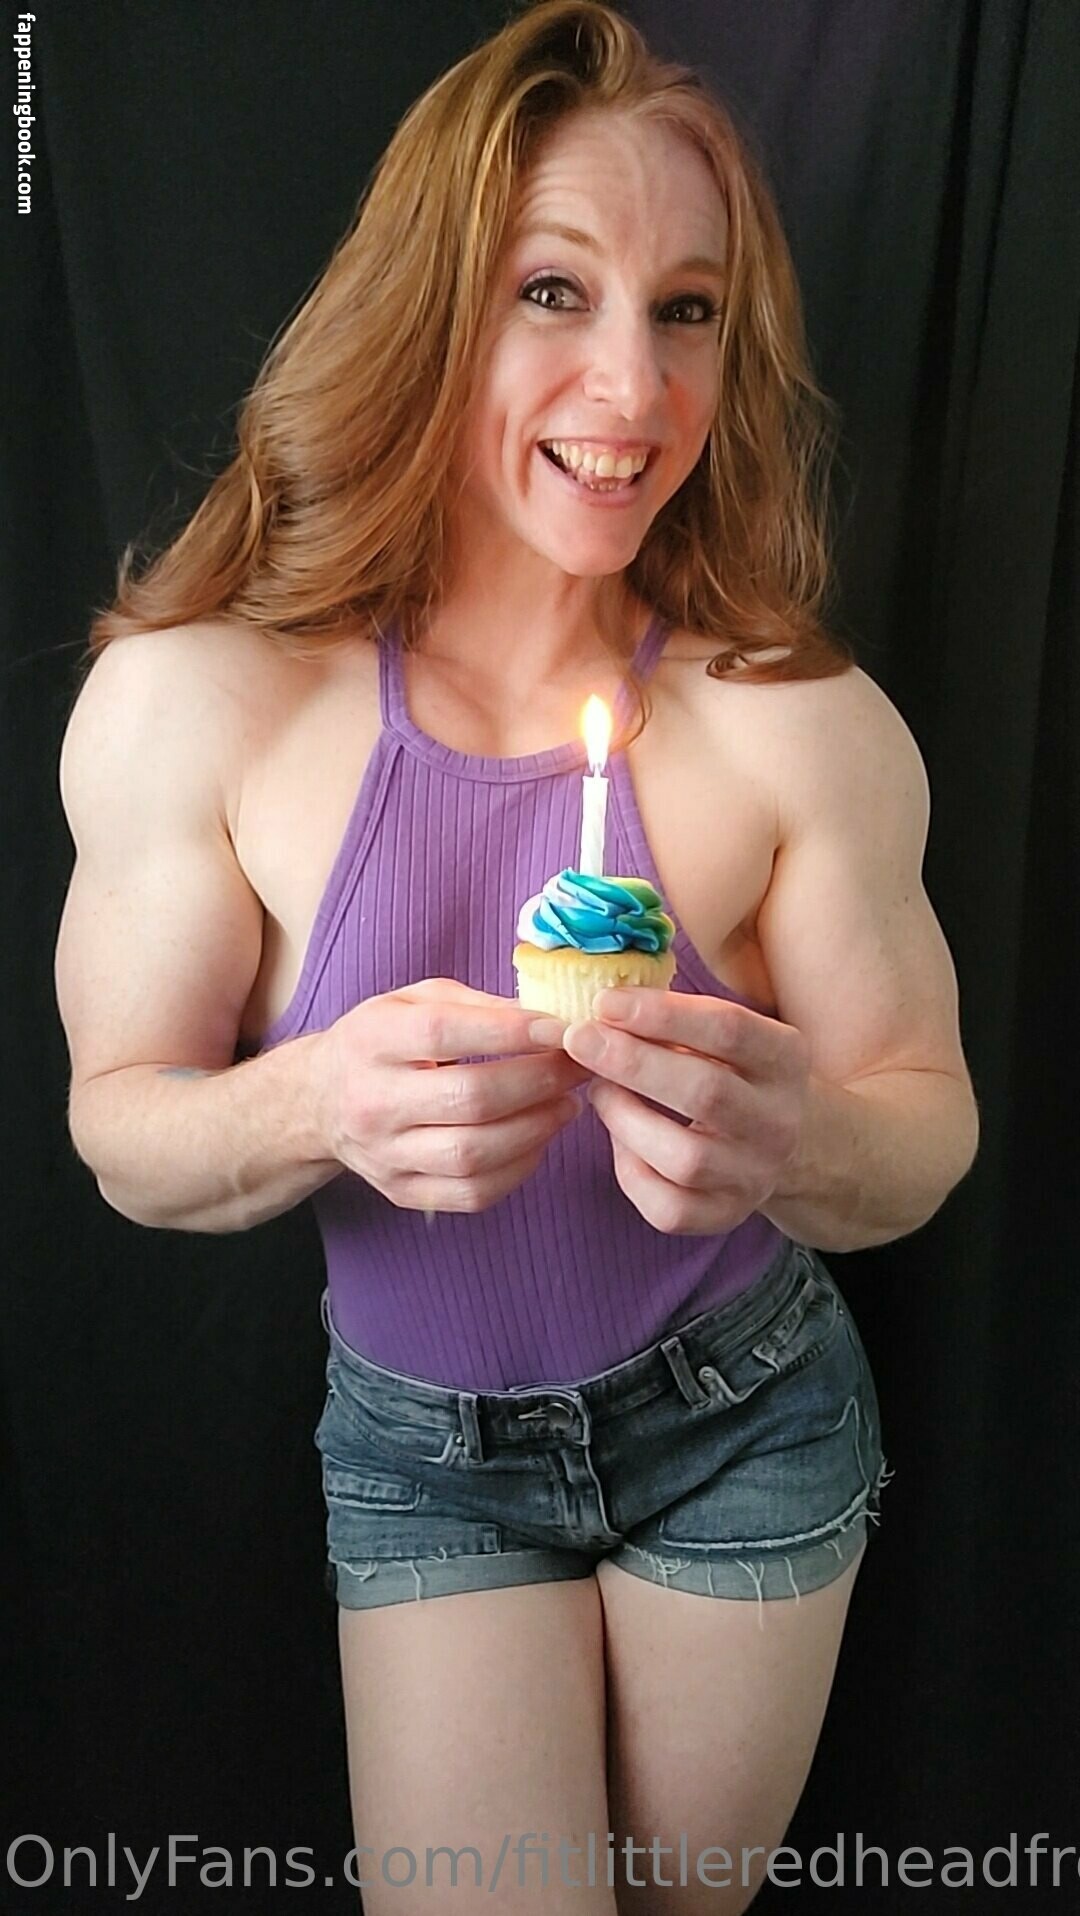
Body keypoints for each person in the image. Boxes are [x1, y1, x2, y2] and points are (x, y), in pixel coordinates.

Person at [54, 3, 979, 1910]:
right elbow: (121, 1126)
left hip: (746, 1412)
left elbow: (925, 1126)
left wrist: (795, 1137)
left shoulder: (798, 726)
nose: (633, 388)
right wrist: (319, 1101)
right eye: (554, 290)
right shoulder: (198, 705)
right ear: (432, 310)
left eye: (689, 309)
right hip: (424, 1453)